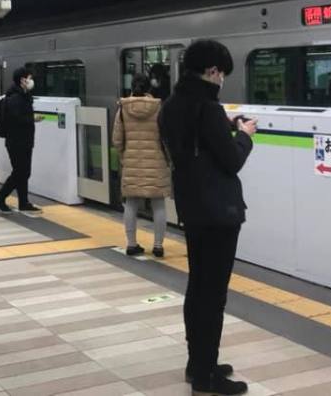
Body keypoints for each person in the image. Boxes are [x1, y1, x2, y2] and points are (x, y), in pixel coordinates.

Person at [158, 39, 256, 396]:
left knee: (198, 286)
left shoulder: (172, 105)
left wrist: (223, 125)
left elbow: (191, 144)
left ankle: (197, 363)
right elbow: (231, 160)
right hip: (219, 212)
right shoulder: (208, 107)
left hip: (193, 208)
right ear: (212, 71)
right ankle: (206, 376)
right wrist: (244, 136)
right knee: (213, 295)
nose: (222, 79)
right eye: (222, 73)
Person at [112, 72, 171, 257]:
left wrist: (124, 157)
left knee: (131, 203)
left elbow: (117, 140)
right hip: (157, 163)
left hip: (131, 162)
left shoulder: (123, 109)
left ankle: (131, 244)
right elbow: (167, 139)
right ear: (149, 88)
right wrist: (169, 160)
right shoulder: (159, 108)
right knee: (158, 204)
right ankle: (158, 246)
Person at [0, 67, 42, 214]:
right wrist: (32, 119)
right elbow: (16, 119)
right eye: (29, 78)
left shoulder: (23, 95)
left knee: (23, 172)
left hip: (23, 140)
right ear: (22, 80)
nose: (31, 81)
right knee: (21, 172)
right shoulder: (16, 98)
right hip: (17, 141)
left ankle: (23, 202)